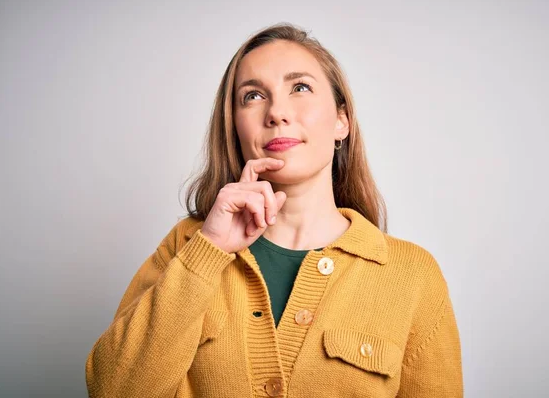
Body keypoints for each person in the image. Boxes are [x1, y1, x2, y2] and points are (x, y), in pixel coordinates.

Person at [85, 23, 463, 398]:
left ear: (341, 121)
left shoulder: (413, 276)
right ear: (235, 126)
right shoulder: (187, 246)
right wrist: (209, 249)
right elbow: (112, 391)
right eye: (252, 96)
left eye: (300, 88)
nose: (277, 112)